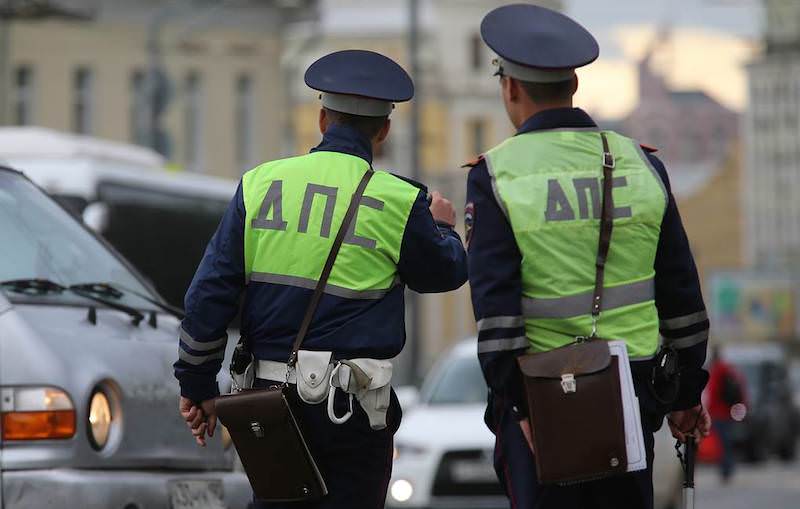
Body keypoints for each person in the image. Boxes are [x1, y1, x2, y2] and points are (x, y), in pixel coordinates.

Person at [173, 49, 468, 508]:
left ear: (321, 118)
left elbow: (207, 297)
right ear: (384, 130)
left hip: (267, 409)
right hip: (349, 415)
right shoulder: (400, 200)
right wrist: (445, 227)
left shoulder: (260, 184)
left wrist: (197, 387)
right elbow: (446, 273)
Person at [465, 5, 712, 509]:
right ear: (574, 83)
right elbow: (682, 295)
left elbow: (497, 313)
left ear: (509, 87)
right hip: (632, 399)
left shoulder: (497, 175)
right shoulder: (640, 163)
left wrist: (519, 409)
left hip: (542, 402)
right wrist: (686, 395)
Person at [705, 345, 745, 482]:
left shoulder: (718, 370)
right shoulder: (727, 368)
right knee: (726, 442)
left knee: (723, 443)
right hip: (725, 413)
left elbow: (713, 392)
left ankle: (726, 469)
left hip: (718, 413)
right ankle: (727, 468)